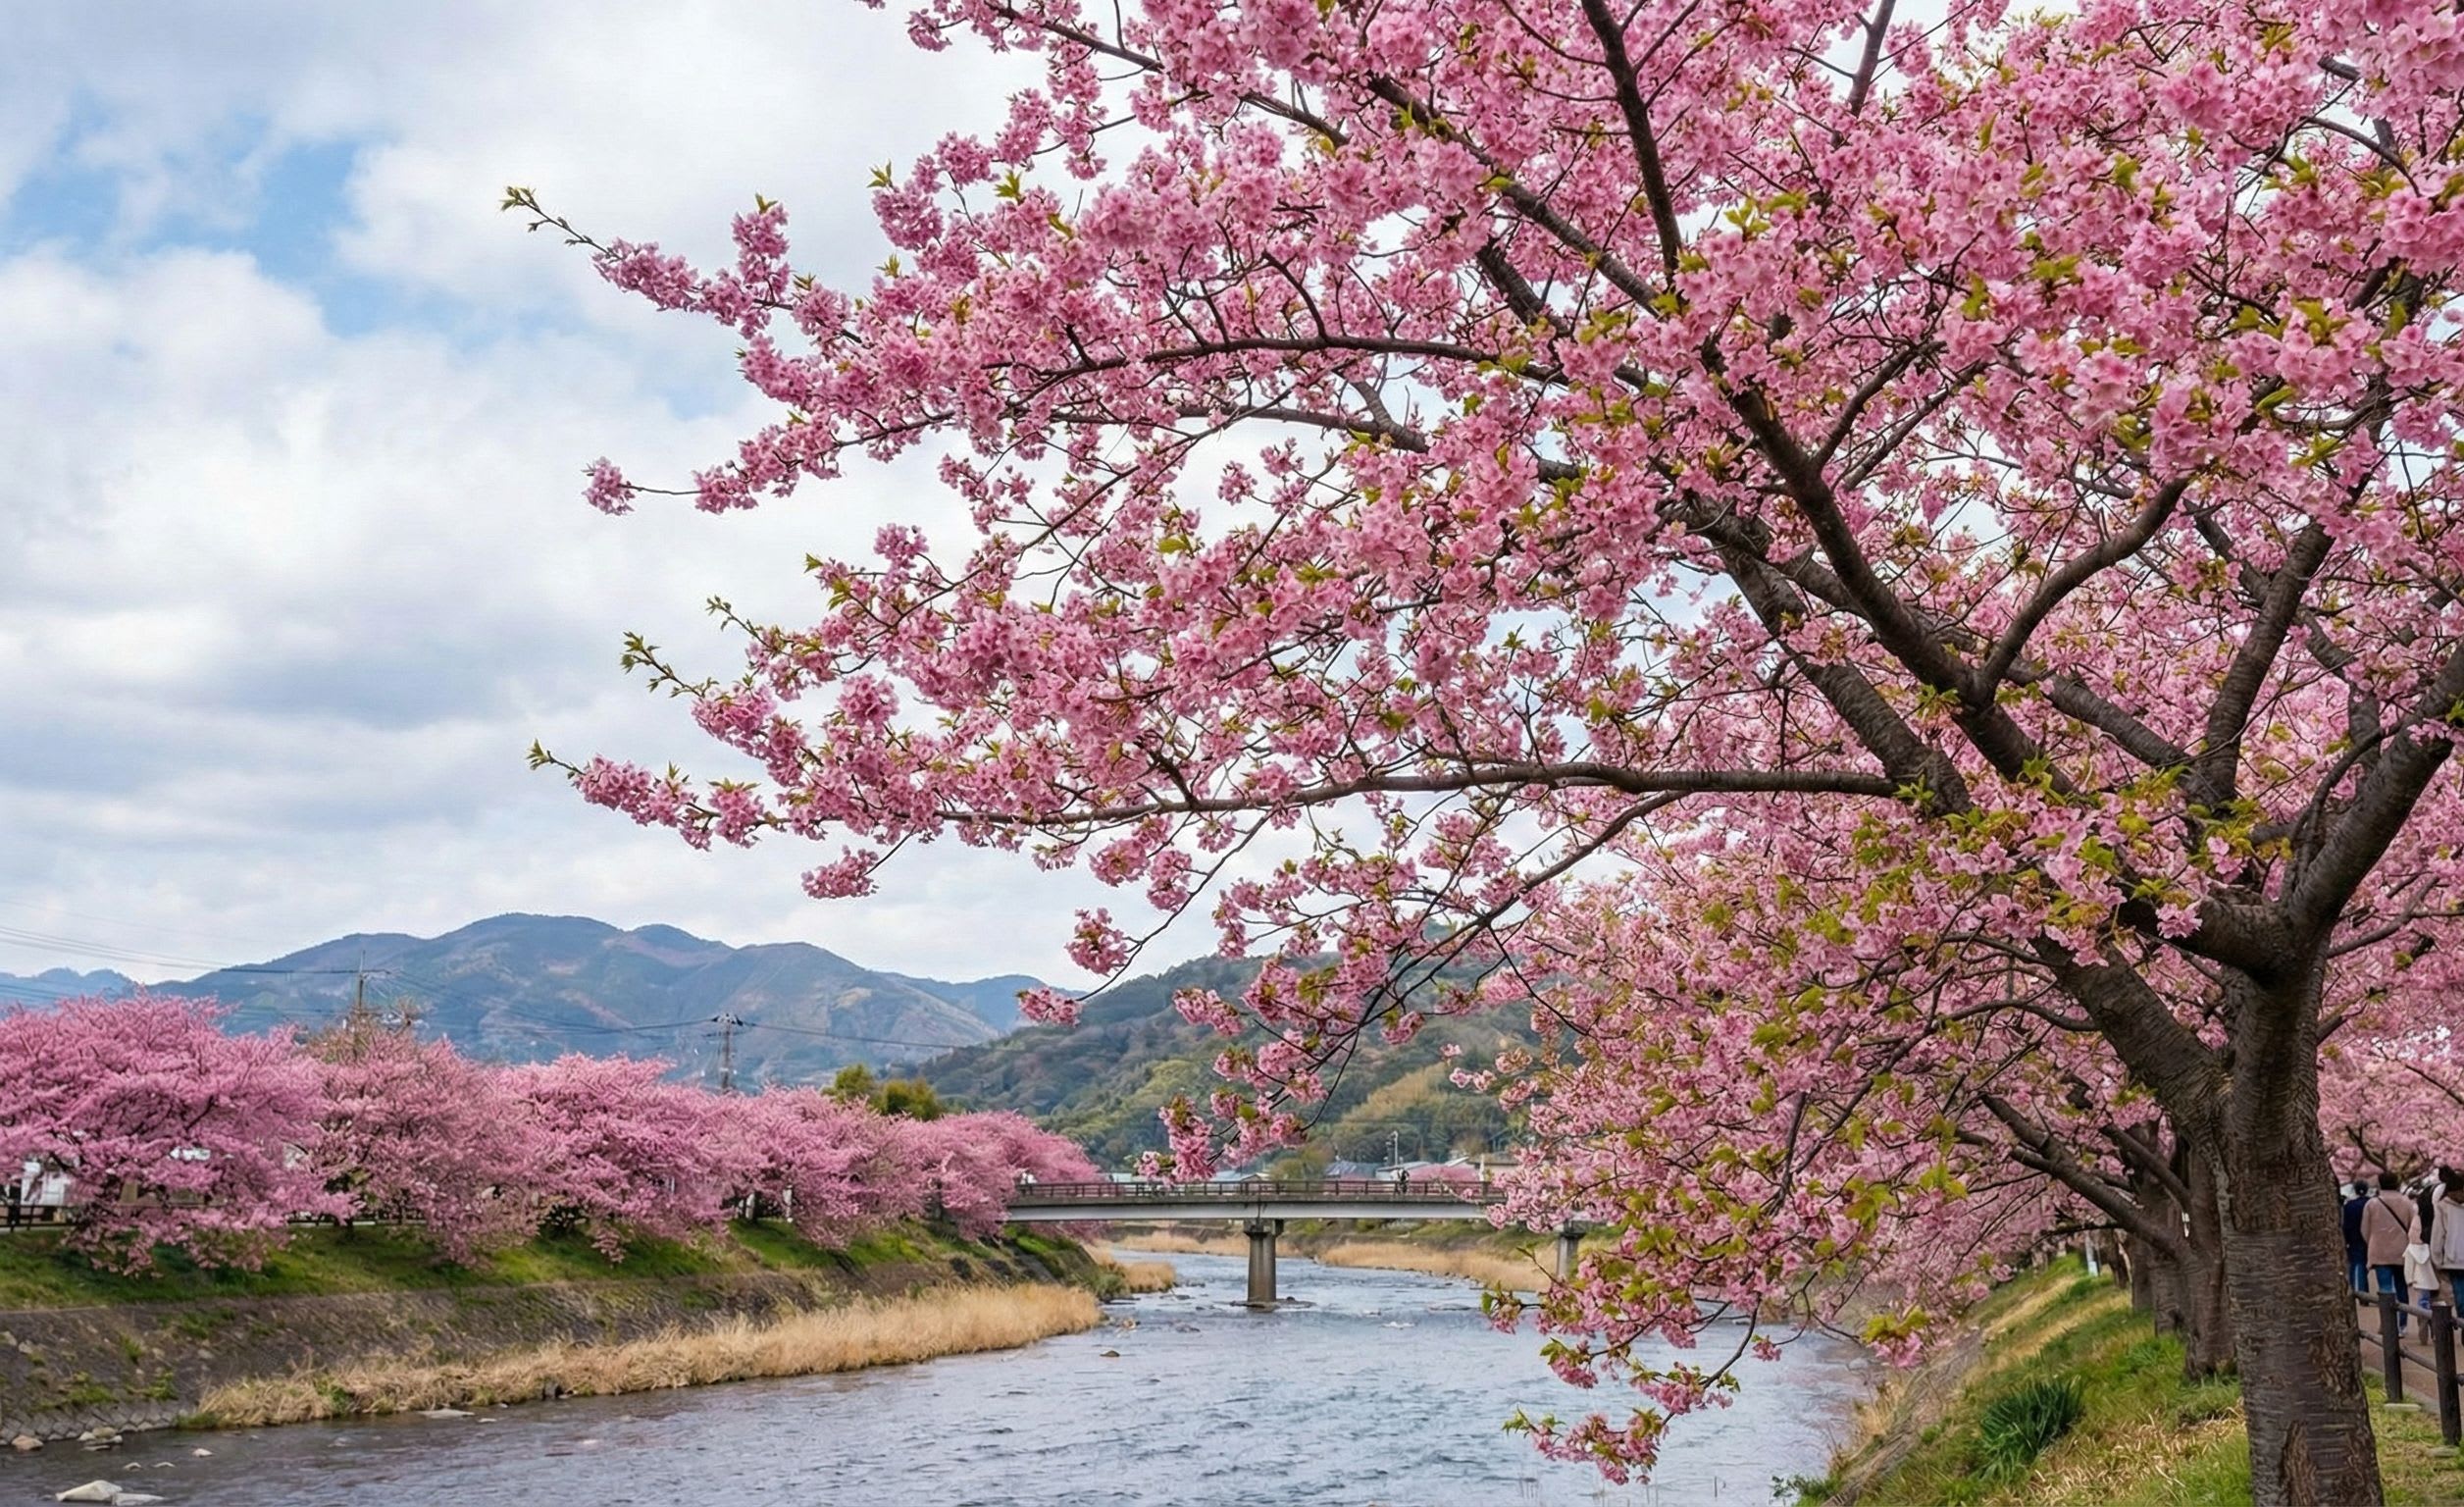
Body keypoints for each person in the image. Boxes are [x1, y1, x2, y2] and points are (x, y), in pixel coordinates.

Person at [2363, 1169, 2422, 1332]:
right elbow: (2413, 1227)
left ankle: (2389, 1324)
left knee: (2385, 1288)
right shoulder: (2406, 1202)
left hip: (2380, 1251)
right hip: (2402, 1251)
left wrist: (2373, 1242)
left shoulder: (2372, 1204)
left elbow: (2365, 1229)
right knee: (2402, 1288)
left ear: (2380, 1183)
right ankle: (2402, 1324)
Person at [2430, 1168, 2464, 1311]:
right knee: (2460, 1297)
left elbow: (2438, 1236)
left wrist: (2437, 1260)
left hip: (2454, 1258)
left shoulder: (2442, 1206)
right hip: (2454, 1262)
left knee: (2461, 1298)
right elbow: (2438, 1235)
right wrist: (2437, 1259)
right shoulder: (2443, 1207)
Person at [2343, 1180, 2373, 1296]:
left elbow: (2346, 1224)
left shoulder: (2349, 1205)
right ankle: (2363, 1291)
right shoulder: (2371, 1203)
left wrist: (2346, 1239)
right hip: (2371, 1238)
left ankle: (2355, 1290)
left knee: (2356, 1263)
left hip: (2354, 1238)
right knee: (2364, 1265)